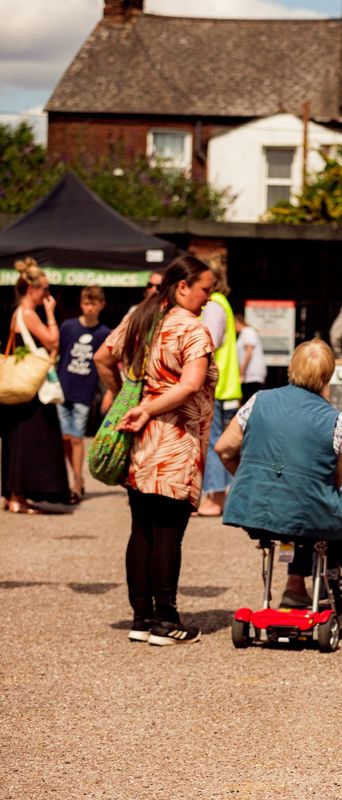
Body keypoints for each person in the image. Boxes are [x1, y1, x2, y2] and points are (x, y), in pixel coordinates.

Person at [94, 254, 218, 645]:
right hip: (175, 440)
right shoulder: (192, 329)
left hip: (139, 440)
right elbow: (190, 384)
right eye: (205, 290)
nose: (209, 299)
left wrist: (122, 396)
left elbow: (102, 357)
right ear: (183, 287)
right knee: (168, 530)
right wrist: (148, 407)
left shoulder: (141, 318)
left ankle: (141, 618)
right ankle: (166, 620)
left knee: (142, 528)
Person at [216, 339, 342, 608]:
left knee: (298, 509)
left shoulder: (258, 401)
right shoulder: (336, 420)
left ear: (292, 367)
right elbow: (337, 478)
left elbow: (223, 448)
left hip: (253, 509)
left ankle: (295, 584)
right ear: (328, 376)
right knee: (338, 499)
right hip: (307, 511)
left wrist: (249, 478)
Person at [1, 258, 70, 513]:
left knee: (17, 440)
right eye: (45, 290)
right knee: (32, 440)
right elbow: (53, 342)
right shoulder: (28, 314)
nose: (47, 295)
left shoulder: (16, 312)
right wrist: (51, 315)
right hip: (30, 390)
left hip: (18, 388)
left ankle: (12, 494)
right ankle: (19, 497)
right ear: (32, 289)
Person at [56, 285, 113, 503]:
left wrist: (109, 392)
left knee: (77, 438)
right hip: (63, 389)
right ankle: (74, 477)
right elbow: (58, 354)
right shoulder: (68, 327)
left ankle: (77, 481)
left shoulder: (103, 333)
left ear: (101, 305)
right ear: (81, 304)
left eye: (94, 304)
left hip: (84, 391)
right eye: (86, 303)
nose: (90, 308)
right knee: (65, 438)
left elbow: (109, 365)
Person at [196, 260, 241, 517]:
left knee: (213, 443)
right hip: (225, 386)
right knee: (221, 443)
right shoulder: (222, 304)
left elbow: (207, 344)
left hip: (217, 386)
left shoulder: (213, 305)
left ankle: (216, 497)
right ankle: (220, 495)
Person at [234, 314, 267, 401]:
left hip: (252, 374)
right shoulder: (246, 332)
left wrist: (241, 371)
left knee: (249, 400)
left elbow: (249, 352)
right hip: (250, 374)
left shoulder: (247, 332)